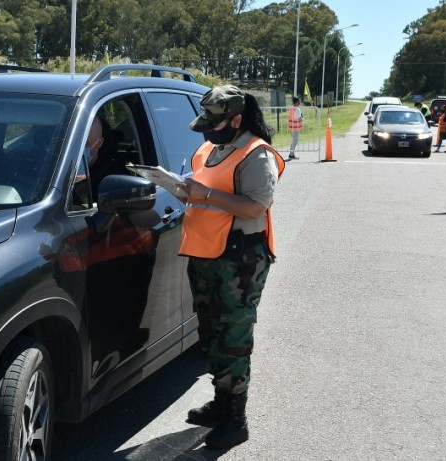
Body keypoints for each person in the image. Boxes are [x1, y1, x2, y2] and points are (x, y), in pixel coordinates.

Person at [177, 85, 285, 450]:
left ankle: (235, 420)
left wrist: (203, 195)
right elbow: (204, 188)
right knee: (210, 334)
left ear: (236, 119)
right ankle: (221, 402)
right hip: (207, 254)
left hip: (240, 260)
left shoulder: (256, 153)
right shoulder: (211, 148)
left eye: (215, 121)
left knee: (233, 339)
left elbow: (256, 207)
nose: (207, 128)